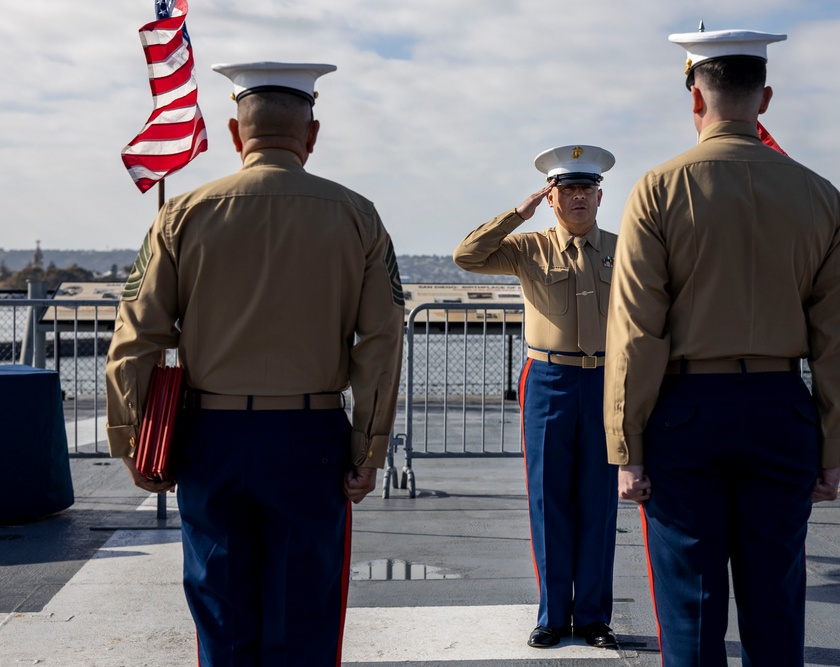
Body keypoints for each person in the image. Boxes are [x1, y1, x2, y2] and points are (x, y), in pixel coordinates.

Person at [105, 61, 404, 666]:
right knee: (306, 616)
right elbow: (380, 342)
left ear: (236, 135)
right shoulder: (358, 216)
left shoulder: (182, 213)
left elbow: (136, 335)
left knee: (222, 614)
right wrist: (367, 449)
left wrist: (133, 436)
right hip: (311, 436)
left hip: (209, 436)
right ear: (311, 135)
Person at [604, 27, 840, 666]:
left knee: (689, 603)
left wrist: (626, 448)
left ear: (695, 98)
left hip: (686, 410)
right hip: (781, 407)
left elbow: (638, 333)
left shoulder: (657, 190)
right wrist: (831, 451)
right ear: (764, 98)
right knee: (776, 600)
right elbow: (833, 341)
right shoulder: (823, 197)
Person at [453, 145, 619, 649]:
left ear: (600, 195)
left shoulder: (624, 246)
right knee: (548, 499)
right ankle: (552, 615)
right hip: (549, 381)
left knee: (598, 501)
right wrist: (516, 215)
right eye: (566, 189)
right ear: (551, 198)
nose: (578, 198)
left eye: (586, 188)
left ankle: (592, 617)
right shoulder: (529, 248)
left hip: (607, 381)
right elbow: (467, 255)